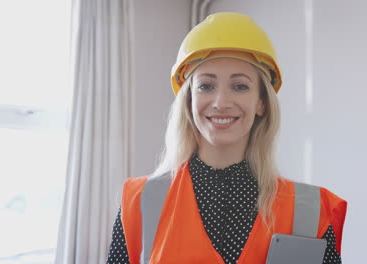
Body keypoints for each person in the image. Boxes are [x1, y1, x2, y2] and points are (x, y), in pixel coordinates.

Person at [107, 12, 347, 264]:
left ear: (262, 102)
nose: (221, 103)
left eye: (240, 86)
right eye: (206, 86)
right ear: (189, 101)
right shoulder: (139, 202)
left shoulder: (310, 212)